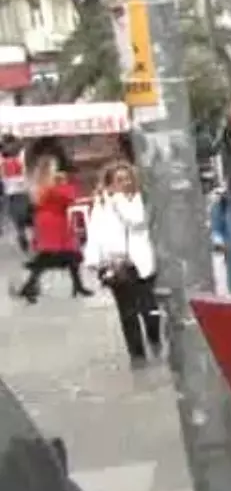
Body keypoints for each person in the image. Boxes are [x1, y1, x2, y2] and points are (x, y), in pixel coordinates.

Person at [83, 162, 161, 368]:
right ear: (110, 184)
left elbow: (140, 222)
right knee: (128, 313)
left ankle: (156, 340)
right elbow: (95, 233)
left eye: (127, 178)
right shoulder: (102, 204)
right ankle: (137, 356)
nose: (125, 183)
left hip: (144, 261)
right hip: (117, 264)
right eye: (119, 180)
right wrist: (95, 260)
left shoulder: (143, 200)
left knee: (150, 310)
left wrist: (120, 205)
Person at [14, 156, 92, 303]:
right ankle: (29, 286)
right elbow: (69, 197)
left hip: (48, 221)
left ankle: (77, 285)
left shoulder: (40, 186)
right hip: (55, 222)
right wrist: (66, 184)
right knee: (55, 254)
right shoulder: (52, 186)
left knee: (65, 253)